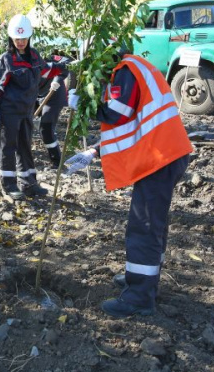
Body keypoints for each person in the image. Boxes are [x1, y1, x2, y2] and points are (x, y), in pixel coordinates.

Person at [65, 50, 192, 318]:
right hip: (164, 153)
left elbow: (117, 114)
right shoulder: (136, 66)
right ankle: (144, 278)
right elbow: (134, 121)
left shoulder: (125, 71)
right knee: (152, 223)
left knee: (143, 226)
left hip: (160, 157)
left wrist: (84, 106)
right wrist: (94, 151)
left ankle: (139, 297)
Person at [0, 14, 49, 200]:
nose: (20, 42)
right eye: (17, 39)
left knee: (25, 146)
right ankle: (9, 185)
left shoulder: (35, 56)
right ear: (11, 38)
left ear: (29, 37)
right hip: (9, 111)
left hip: (27, 110)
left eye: (23, 38)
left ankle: (29, 183)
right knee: (8, 147)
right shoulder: (6, 59)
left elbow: (44, 74)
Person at [36, 54, 73, 168]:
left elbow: (67, 62)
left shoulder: (45, 53)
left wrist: (57, 79)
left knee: (45, 128)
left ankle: (57, 161)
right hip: (37, 94)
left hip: (54, 95)